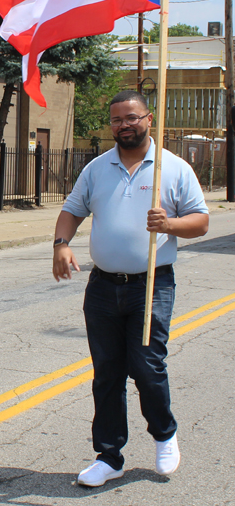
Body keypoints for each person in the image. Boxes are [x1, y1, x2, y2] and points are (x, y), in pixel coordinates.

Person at [52, 90, 208, 488]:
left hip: (151, 285)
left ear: (149, 119)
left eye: (132, 117)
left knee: (147, 366)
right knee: (107, 373)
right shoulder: (97, 168)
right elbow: (72, 209)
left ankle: (164, 435)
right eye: (117, 119)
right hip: (103, 287)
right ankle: (109, 456)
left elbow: (201, 222)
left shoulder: (172, 168)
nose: (124, 125)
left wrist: (170, 225)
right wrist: (61, 244)